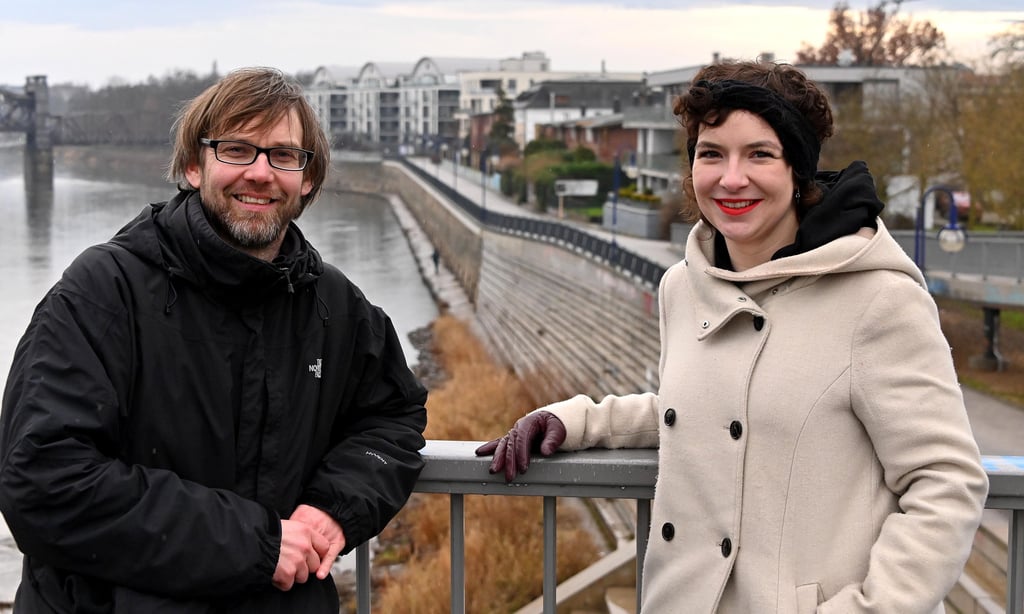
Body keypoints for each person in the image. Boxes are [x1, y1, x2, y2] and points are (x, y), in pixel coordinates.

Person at [476, 60, 988, 613]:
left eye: (760, 154)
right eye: (711, 153)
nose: (731, 178)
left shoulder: (877, 300)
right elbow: (703, 408)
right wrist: (574, 421)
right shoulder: (683, 286)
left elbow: (946, 482)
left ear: (798, 171)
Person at [0, 67, 428, 613]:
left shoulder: (334, 307)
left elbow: (392, 417)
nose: (260, 173)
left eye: (283, 156)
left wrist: (334, 506)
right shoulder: (104, 292)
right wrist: (256, 545)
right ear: (193, 166)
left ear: (309, 179)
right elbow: (42, 481)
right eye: (236, 150)